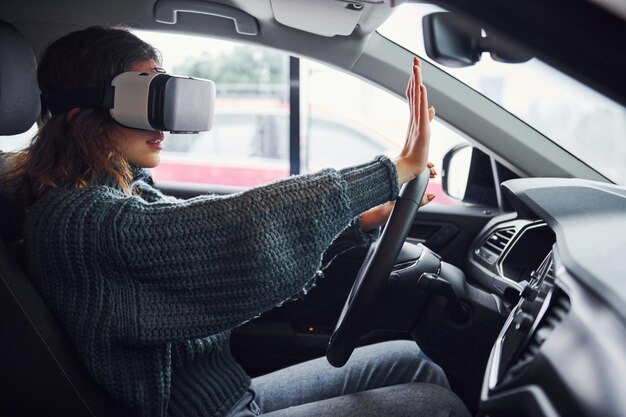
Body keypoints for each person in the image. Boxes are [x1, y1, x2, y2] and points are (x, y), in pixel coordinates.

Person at [2, 27, 469, 417]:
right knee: (432, 405)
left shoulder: (120, 192)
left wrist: (358, 218)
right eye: (147, 98)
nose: (163, 124)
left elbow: (214, 255)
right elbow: (227, 233)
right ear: (82, 116)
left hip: (228, 397)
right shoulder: (73, 220)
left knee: (413, 362)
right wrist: (390, 171)